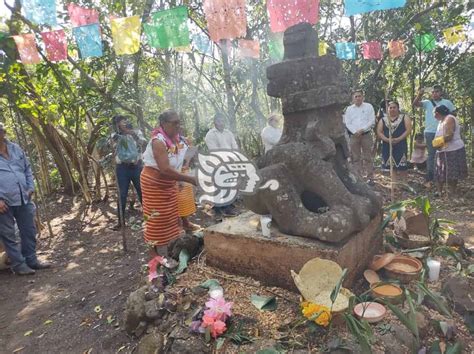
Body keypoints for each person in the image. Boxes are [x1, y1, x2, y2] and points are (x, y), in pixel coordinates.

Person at [141, 110, 197, 256]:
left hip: (169, 182)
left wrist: (181, 175)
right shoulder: (158, 142)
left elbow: (183, 158)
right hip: (154, 183)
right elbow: (165, 169)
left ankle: (171, 246)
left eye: (179, 122)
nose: (178, 125)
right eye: (174, 123)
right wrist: (189, 179)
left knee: (172, 215)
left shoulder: (179, 140)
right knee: (157, 218)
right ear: (164, 124)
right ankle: (156, 255)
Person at [0, 122, 51, 275]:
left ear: (4, 132)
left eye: (1, 131)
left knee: (29, 230)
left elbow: (27, 168)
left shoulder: (15, 148)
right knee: (8, 235)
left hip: (24, 197)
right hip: (4, 201)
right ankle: (19, 265)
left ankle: (31, 260)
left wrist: (30, 187)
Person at [413, 84, 456, 186]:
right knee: (431, 154)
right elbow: (415, 104)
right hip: (430, 132)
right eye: (432, 92)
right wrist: (419, 94)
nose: (434, 93)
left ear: (441, 92)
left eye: (436, 91)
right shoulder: (428, 103)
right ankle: (430, 176)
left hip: (443, 132)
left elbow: (454, 114)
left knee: (444, 153)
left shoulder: (447, 102)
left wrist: (445, 117)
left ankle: (444, 176)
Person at [110, 115, 147, 230]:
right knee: (122, 195)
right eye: (120, 122)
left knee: (143, 192)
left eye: (123, 121)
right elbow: (110, 146)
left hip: (136, 167)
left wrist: (132, 133)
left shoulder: (136, 131)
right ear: (116, 125)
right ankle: (121, 222)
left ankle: (150, 219)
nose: (123, 123)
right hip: (122, 168)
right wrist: (119, 136)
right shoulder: (114, 136)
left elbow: (143, 142)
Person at [204, 113, 238, 216]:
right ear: (215, 122)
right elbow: (214, 150)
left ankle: (228, 206)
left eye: (223, 121)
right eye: (219, 121)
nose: (221, 123)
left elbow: (234, 146)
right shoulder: (210, 134)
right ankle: (219, 208)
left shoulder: (228, 133)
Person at [433, 105, 468, 196]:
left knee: (453, 172)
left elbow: (449, 135)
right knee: (440, 171)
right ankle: (439, 192)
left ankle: (452, 192)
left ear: (437, 113)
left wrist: (437, 142)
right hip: (442, 150)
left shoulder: (449, 119)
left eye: (434, 113)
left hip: (453, 149)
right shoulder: (441, 120)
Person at [343, 90, 376, 184]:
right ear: (353, 98)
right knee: (355, 157)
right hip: (354, 136)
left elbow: (372, 120)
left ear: (363, 97)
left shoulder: (369, 106)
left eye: (359, 96)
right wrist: (355, 131)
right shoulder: (349, 109)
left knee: (368, 156)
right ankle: (359, 178)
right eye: (356, 96)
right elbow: (347, 122)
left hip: (366, 134)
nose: (358, 98)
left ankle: (370, 178)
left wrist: (362, 129)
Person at [376, 101, 412, 185]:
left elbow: (408, 130)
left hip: (401, 144)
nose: (392, 109)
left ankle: (404, 183)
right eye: (390, 108)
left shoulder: (404, 117)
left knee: (402, 165)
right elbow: (379, 131)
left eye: (394, 107)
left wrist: (399, 139)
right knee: (392, 165)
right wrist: (386, 139)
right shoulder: (383, 120)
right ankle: (394, 184)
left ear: (398, 108)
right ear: (387, 109)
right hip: (387, 145)